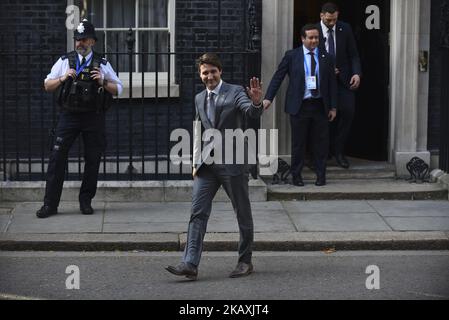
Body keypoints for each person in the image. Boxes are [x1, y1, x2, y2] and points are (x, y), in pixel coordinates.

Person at [165, 53, 263, 280]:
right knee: (197, 212)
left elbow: (251, 112)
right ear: (200, 75)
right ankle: (189, 263)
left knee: (242, 212)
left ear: (220, 72)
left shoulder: (235, 91)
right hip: (207, 165)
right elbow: (199, 130)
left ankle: (245, 261)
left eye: (213, 71)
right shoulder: (199, 98)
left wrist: (256, 102)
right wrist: (195, 162)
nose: (209, 76)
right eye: (205, 72)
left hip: (233, 161)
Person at [36, 19, 123, 218]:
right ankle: (50, 205)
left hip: (93, 117)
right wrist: (62, 78)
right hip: (69, 116)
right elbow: (47, 85)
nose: (79, 43)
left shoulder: (102, 63)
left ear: (92, 41)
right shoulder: (65, 61)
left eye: (83, 40)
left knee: (92, 160)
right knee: (57, 158)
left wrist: (103, 80)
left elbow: (119, 89)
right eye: (77, 39)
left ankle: (86, 201)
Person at [263, 24, 337, 187]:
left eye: (316, 37)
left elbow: (332, 83)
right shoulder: (292, 56)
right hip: (300, 106)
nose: (314, 41)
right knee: (298, 143)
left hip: (320, 106)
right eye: (310, 38)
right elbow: (278, 77)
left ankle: (321, 175)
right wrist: (268, 98)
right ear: (302, 38)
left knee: (321, 144)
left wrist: (333, 107)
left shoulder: (327, 57)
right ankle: (296, 175)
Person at [318, 2, 362, 169]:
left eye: (334, 20)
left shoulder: (345, 29)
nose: (332, 23)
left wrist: (357, 73)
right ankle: (323, 152)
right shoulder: (313, 31)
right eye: (329, 20)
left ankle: (339, 151)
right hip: (323, 84)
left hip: (344, 81)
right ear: (321, 16)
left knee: (348, 113)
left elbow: (353, 55)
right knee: (323, 117)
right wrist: (327, 70)